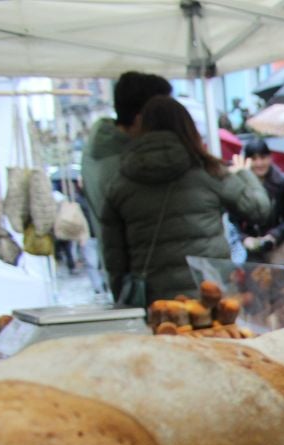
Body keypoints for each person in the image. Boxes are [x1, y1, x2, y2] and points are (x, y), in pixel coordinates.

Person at [100, 96, 269, 304]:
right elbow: (259, 209)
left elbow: (113, 256)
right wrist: (244, 173)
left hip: (155, 302)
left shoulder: (121, 181)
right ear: (188, 127)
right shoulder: (209, 171)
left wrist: (122, 295)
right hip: (210, 295)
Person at [82, 71, 172, 282]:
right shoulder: (122, 165)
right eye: (163, 111)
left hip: (128, 275)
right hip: (140, 279)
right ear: (141, 118)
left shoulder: (99, 150)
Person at [232, 137, 284, 265]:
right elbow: (232, 219)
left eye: (262, 158)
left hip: (279, 243)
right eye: (254, 159)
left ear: (270, 158)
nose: (259, 163)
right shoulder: (237, 184)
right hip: (247, 247)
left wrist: (275, 235)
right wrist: (244, 238)